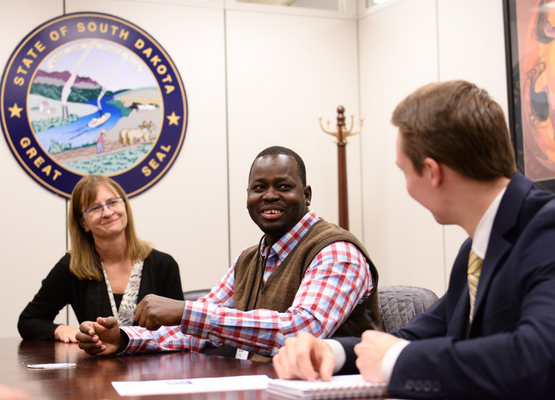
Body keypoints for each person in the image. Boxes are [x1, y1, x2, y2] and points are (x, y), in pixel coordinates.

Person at [272, 81, 555, 400]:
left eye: (404, 170)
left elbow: (539, 357)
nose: (406, 185)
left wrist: (396, 360)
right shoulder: (474, 250)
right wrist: (330, 351)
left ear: (433, 172)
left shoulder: (548, 230)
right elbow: (413, 339)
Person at [76, 146, 381, 361]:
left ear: (307, 195)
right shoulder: (249, 259)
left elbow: (300, 331)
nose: (270, 195)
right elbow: (197, 332)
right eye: (259, 187)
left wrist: (186, 311)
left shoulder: (336, 252)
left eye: (284, 186)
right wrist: (126, 339)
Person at [18, 175, 184, 343]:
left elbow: (179, 331)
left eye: (112, 202)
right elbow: (28, 322)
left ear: (124, 205)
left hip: (154, 366)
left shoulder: (163, 265)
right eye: (95, 208)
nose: (107, 212)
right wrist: (60, 329)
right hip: (96, 367)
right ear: (83, 223)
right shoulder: (72, 266)